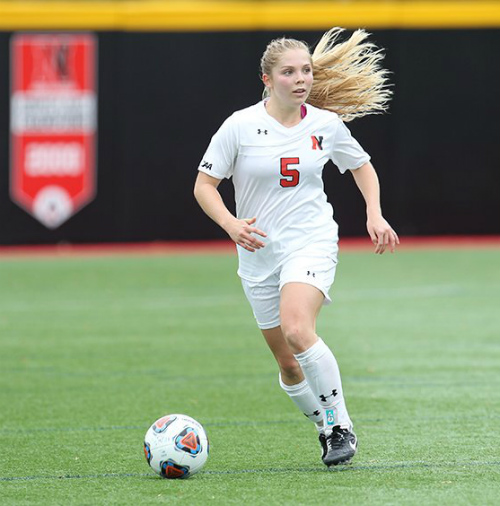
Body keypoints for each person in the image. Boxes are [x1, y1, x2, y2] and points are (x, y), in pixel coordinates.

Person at [194, 27, 399, 467]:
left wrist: (374, 213)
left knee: (297, 329)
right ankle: (327, 426)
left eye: (306, 70)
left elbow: (362, 167)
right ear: (267, 80)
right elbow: (204, 185)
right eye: (289, 72)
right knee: (288, 365)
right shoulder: (240, 126)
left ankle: (340, 425)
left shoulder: (325, 124)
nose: (301, 78)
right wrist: (231, 224)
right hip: (257, 253)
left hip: (311, 241)